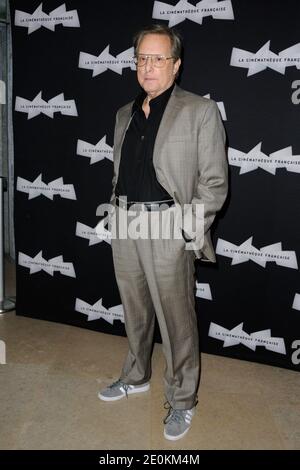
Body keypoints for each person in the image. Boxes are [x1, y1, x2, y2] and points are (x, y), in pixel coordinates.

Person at [98, 24, 228, 441]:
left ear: (176, 65)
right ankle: (136, 376)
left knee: (176, 321)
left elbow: (214, 183)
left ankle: (183, 399)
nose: (148, 66)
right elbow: (120, 172)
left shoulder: (200, 111)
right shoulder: (124, 113)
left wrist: (185, 229)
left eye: (158, 58)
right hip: (126, 223)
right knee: (134, 311)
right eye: (142, 58)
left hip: (169, 225)